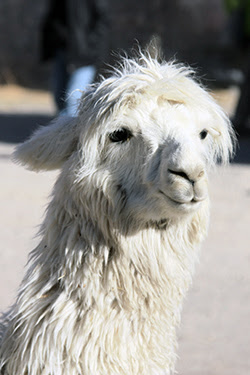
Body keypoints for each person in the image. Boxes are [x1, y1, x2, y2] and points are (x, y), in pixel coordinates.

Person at [41, 0, 110, 115]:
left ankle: (70, 132)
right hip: (61, 52)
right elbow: (52, 19)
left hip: (85, 56)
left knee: (73, 99)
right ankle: (65, 130)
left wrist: (90, 48)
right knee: (59, 98)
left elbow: (103, 20)